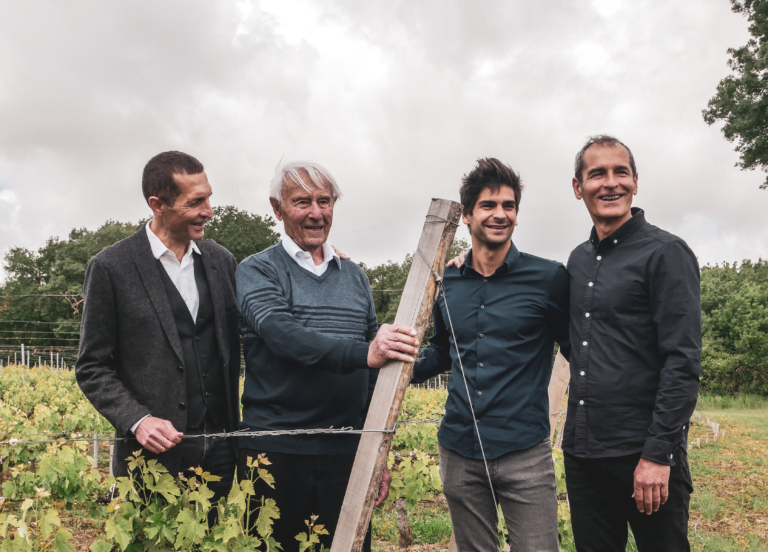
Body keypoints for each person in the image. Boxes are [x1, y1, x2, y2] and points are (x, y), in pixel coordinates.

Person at [235, 160, 420, 549]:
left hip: (347, 452)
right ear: (277, 207)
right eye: (302, 202)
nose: (316, 213)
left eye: (325, 201)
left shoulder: (354, 276)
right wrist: (365, 352)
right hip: (276, 453)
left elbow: (374, 373)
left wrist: (377, 451)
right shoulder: (258, 270)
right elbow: (282, 335)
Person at [415, 158, 571, 551]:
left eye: (509, 205)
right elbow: (441, 352)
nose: (500, 214)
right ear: (467, 215)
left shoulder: (549, 279)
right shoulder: (444, 281)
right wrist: (386, 371)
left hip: (525, 453)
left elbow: (578, 353)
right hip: (459, 450)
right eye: (488, 205)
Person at [562, 135, 701, 551]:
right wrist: (472, 262)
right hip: (584, 455)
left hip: (644, 454)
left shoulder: (666, 253)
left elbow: (683, 360)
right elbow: (576, 344)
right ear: (577, 187)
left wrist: (658, 455)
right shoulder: (577, 260)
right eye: (596, 173)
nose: (610, 183)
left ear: (635, 182)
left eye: (620, 171)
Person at [76, 151, 240, 500]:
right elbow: (92, 367)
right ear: (158, 204)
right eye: (196, 201)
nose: (208, 210)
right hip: (150, 459)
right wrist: (138, 420)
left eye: (209, 197)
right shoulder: (111, 267)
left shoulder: (221, 261)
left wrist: (321, 254)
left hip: (222, 453)